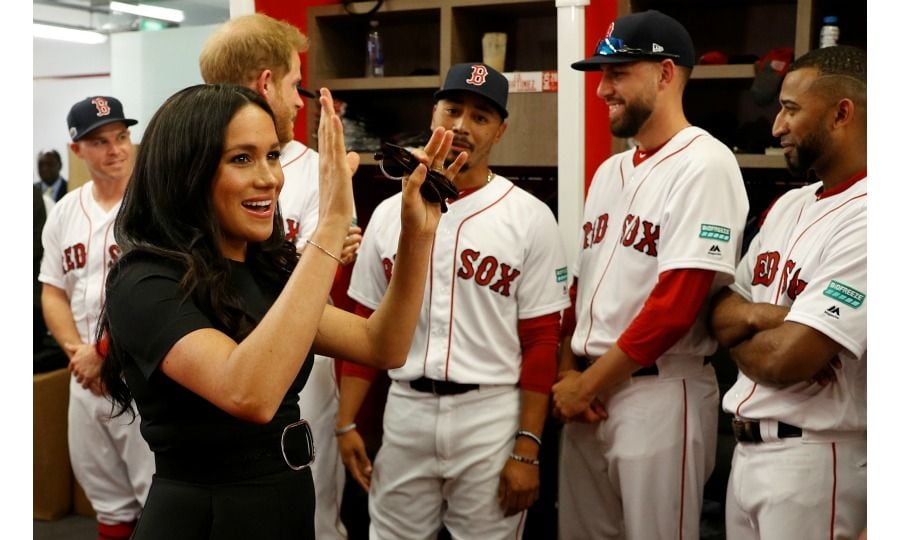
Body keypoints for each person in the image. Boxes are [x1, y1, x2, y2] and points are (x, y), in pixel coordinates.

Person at [98, 83, 461, 539]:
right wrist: (331, 225)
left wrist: (417, 235)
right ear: (186, 170)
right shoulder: (144, 279)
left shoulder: (266, 269)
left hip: (284, 505)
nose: (270, 178)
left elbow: (383, 344)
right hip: (206, 518)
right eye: (241, 158)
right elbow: (249, 393)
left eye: (272, 155)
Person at [336, 62, 570, 539]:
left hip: (490, 416)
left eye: (481, 117)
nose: (462, 126)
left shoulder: (530, 218)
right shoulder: (387, 213)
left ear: (500, 130)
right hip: (405, 411)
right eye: (453, 109)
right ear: (434, 113)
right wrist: (345, 422)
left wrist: (528, 448)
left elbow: (542, 340)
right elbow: (363, 322)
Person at [552, 10, 749, 539]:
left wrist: (584, 384)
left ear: (665, 74)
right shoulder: (610, 170)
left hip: (659, 394)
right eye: (601, 74)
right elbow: (583, 289)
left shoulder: (705, 164)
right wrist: (571, 373)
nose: (601, 89)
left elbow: (675, 307)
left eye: (617, 73)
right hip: (591, 393)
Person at [199, 17, 361, 538]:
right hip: (208, 370)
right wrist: (323, 251)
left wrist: (324, 251)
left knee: (309, 518)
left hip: (299, 371)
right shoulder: (188, 166)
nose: (300, 101)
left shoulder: (318, 167)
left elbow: (318, 283)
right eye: (294, 85)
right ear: (265, 83)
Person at [709, 45, 866, 539]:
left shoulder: (874, 213)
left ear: (842, 113)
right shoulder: (788, 205)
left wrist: (747, 324)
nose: (776, 126)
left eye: (791, 109)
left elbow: (789, 360)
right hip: (747, 456)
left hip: (817, 459)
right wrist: (771, 317)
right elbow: (718, 311)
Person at [38, 96, 154, 540]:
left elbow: (161, 298)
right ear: (77, 150)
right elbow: (53, 291)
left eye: (122, 136)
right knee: (107, 502)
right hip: (85, 376)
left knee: (159, 496)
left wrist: (104, 356)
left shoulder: (155, 204)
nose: (116, 149)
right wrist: (80, 355)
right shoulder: (65, 212)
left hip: (142, 374)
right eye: (100, 141)